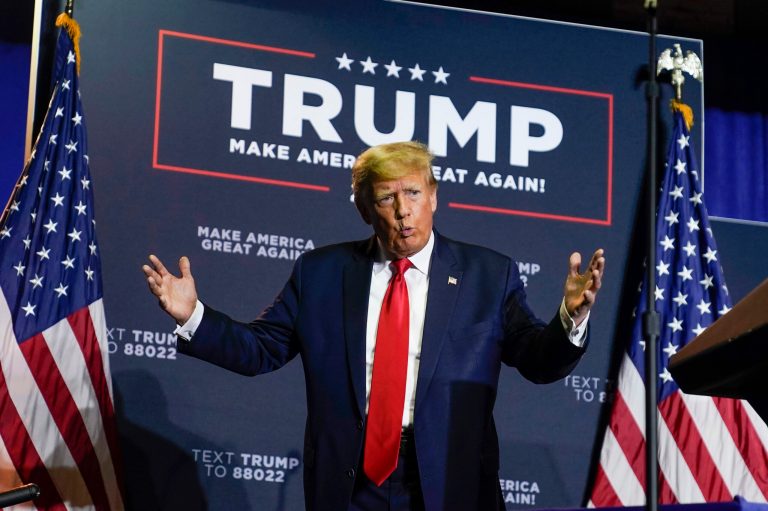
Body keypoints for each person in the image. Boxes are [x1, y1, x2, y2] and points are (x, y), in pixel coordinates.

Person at [142, 141, 605, 511]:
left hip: (448, 481)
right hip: (351, 481)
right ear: (365, 209)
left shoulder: (489, 274)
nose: (403, 211)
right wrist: (193, 316)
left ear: (434, 196)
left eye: (413, 193)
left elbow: (537, 361)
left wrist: (571, 317)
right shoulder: (321, 273)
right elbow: (261, 349)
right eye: (387, 197)